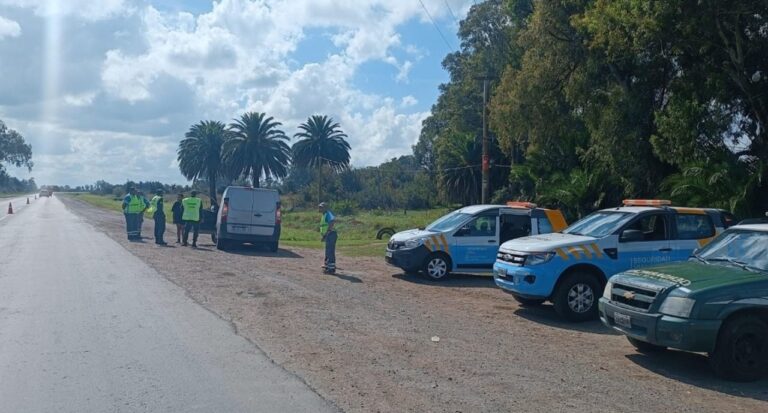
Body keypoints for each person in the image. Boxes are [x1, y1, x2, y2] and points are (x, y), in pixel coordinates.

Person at [319, 202, 337, 274]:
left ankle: (331, 268)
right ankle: (327, 266)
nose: (320, 208)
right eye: (320, 207)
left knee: (330, 252)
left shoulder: (328, 213)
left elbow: (332, 222)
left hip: (331, 234)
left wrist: (327, 232)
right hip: (328, 235)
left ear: (326, 208)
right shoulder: (324, 215)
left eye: (322, 207)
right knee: (327, 251)